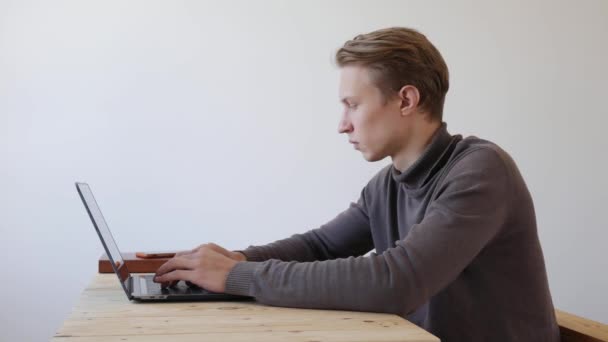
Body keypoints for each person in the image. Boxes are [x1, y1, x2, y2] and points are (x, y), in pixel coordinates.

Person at [154, 27, 560, 341]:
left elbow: (397, 282)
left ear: (406, 100)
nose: (342, 124)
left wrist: (235, 278)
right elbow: (320, 246)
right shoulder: (387, 185)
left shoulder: (481, 170)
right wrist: (236, 260)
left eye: (353, 104)